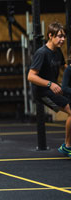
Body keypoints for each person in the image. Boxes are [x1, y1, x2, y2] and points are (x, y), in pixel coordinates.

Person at [28, 21, 71, 157]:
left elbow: (65, 67)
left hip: (54, 88)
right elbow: (30, 76)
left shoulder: (58, 51)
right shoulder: (42, 53)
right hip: (42, 92)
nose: (62, 39)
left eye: (64, 36)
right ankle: (67, 146)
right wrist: (50, 84)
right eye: (59, 36)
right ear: (50, 36)